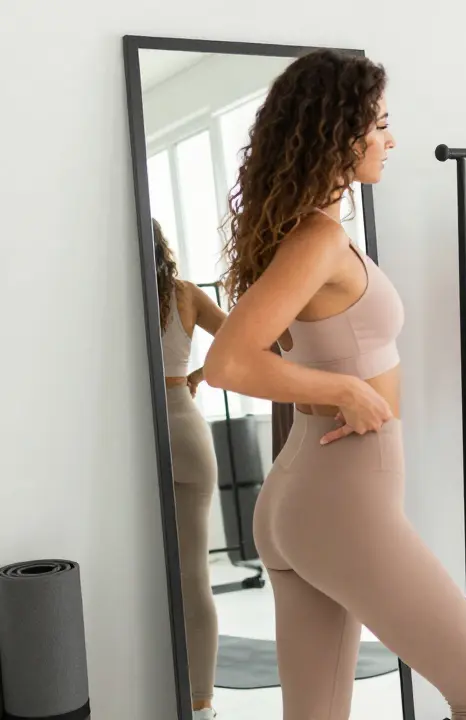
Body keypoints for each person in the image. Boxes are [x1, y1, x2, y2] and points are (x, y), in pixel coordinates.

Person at [203, 50, 466, 720]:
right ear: (336, 133)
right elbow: (228, 363)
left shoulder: (312, 235)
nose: (390, 138)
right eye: (378, 124)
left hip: (303, 492)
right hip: (342, 498)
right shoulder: (316, 239)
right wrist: (344, 390)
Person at [155, 218, 225, 720]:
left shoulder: (113, 297)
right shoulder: (187, 295)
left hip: (134, 434)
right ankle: (200, 705)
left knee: (143, 569)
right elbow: (256, 338)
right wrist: (199, 373)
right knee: (194, 575)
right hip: (184, 422)